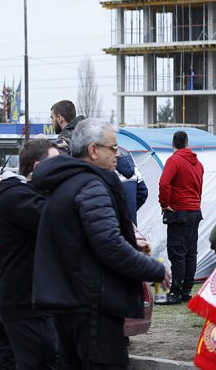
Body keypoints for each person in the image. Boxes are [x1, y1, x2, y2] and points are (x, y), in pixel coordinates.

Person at [32, 118, 169, 368]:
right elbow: (109, 245)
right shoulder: (91, 184)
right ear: (93, 150)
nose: (118, 153)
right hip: (92, 305)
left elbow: (84, 239)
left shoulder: (65, 181)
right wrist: (156, 270)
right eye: (113, 147)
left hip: (68, 303)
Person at [0, 138, 60, 369]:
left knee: (8, 362)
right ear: (39, 168)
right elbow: (57, 222)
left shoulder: (26, 196)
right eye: (58, 164)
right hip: (25, 304)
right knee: (44, 362)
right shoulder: (17, 198)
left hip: (29, 302)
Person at [159, 129, 204, 305]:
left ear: (173, 144)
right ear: (187, 143)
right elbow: (198, 187)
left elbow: (164, 183)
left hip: (179, 213)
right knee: (191, 253)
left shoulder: (174, 160)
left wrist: (164, 204)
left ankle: (175, 292)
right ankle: (186, 291)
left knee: (177, 253)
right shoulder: (198, 164)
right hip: (195, 212)